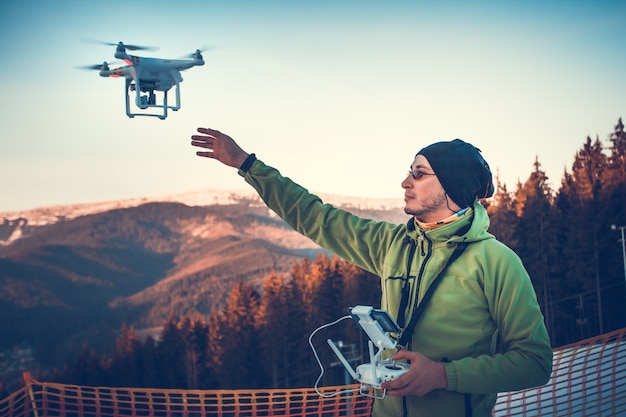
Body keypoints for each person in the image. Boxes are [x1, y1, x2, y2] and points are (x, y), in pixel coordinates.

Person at [190, 127, 553, 417]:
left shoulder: (497, 262)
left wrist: (443, 376)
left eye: (419, 173)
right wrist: (247, 164)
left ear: (452, 188)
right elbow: (315, 216)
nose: (405, 182)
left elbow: (535, 362)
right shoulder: (392, 244)